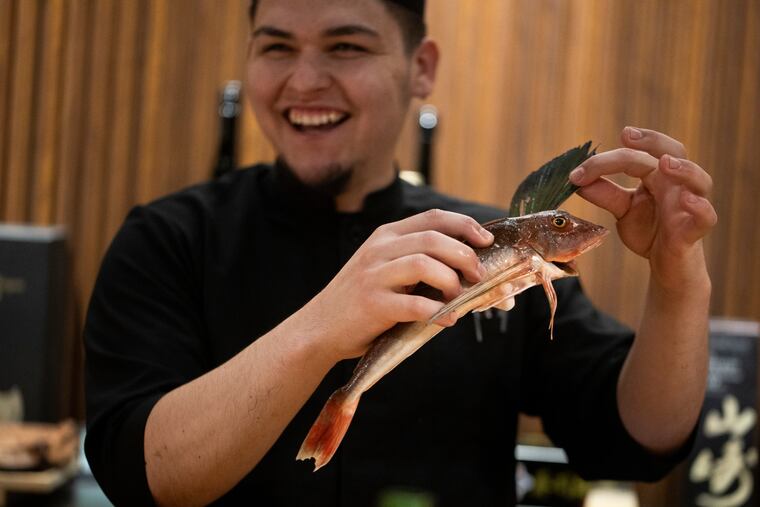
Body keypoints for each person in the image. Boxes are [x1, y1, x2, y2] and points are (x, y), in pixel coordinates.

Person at [83, 0, 718, 505]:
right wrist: (319, 328)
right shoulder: (165, 239)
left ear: (422, 67)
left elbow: (637, 440)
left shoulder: (485, 242)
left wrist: (677, 279)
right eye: (276, 47)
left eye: (346, 47)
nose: (305, 80)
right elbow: (138, 475)